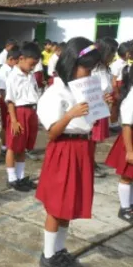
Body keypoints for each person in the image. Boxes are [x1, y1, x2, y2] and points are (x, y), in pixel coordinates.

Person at [36, 37, 102, 267]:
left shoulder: (81, 88)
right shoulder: (55, 93)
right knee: (57, 206)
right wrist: (69, 115)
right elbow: (52, 133)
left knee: (70, 204)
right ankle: (48, 255)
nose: (89, 73)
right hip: (64, 148)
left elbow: (94, 120)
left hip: (82, 148)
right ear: (71, 64)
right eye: (87, 67)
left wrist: (104, 103)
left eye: (92, 69)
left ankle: (60, 249)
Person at [4, 42, 41, 192]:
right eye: (31, 64)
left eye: (35, 65)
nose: (33, 67)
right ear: (21, 58)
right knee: (13, 146)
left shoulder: (30, 76)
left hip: (31, 112)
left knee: (23, 147)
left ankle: (20, 176)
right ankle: (12, 177)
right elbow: (10, 100)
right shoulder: (13, 76)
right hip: (19, 113)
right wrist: (14, 120)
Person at [105, 64, 133, 223]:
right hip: (130, 140)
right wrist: (129, 151)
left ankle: (131, 204)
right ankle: (124, 208)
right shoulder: (132, 97)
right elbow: (127, 125)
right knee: (126, 176)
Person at [91, 38, 118, 178]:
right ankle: (88, 164)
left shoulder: (106, 69)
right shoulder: (92, 68)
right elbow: (87, 90)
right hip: (91, 108)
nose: (113, 56)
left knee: (95, 139)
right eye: (112, 53)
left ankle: (91, 161)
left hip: (102, 107)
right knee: (89, 138)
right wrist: (100, 97)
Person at [0, 47, 20, 155]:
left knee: (11, 123)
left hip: (12, 100)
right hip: (5, 100)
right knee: (5, 124)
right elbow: (2, 91)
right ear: (10, 59)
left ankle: (11, 145)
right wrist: (8, 105)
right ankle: (4, 146)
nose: (17, 64)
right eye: (16, 61)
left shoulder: (12, 69)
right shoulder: (3, 71)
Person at [110, 42, 130, 132]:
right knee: (115, 106)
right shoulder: (117, 64)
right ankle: (113, 123)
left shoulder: (126, 63)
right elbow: (113, 80)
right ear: (125, 52)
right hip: (117, 86)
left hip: (123, 85)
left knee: (120, 105)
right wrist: (117, 92)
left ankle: (116, 122)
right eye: (129, 52)